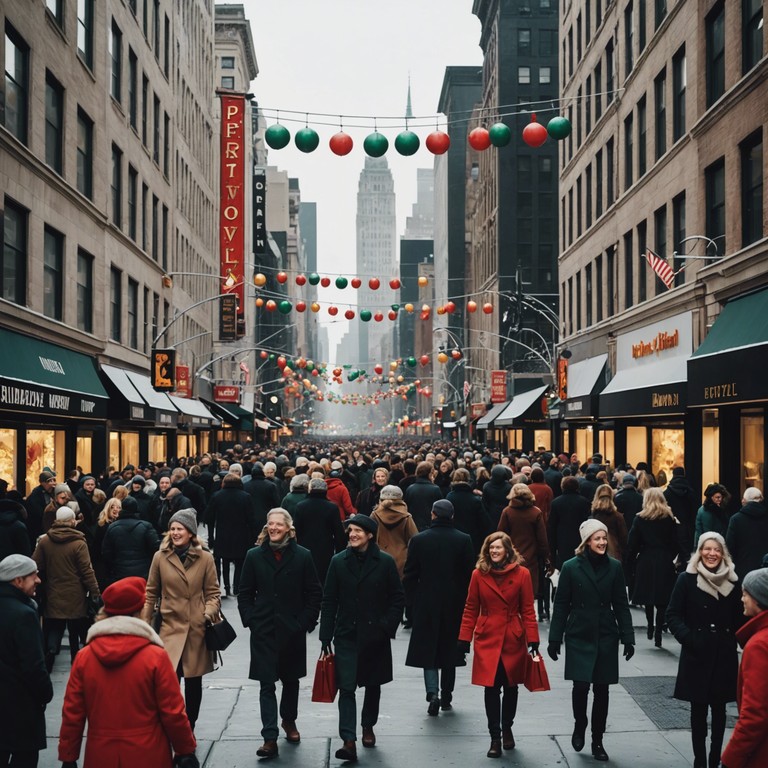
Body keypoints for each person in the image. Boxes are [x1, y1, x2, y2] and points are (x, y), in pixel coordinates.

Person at [58, 576, 199, 768]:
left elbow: (72, 713)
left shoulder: (85, 657)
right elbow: (173, 711)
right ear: (140, 611)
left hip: (101, 754)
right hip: (148, 754)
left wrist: (68, 756)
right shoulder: (155, 656)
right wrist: (185, 750)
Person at [237, 509, 322, 759]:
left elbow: (314, 593)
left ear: (288, 528)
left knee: (291, 680)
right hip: (263, 629)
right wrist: (251, 620)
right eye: (270, 524)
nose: (273, 528)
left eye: (278, 524)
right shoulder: (254, 555)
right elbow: (245, 592)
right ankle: (269, 736)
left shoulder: (303, 556)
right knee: (266, 683)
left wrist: (305, 622)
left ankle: (289, 720)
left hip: (292, 629)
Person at [548, 519, 635, 762]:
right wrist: (555, 638)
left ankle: (598, 739)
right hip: (579, 632)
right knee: (581, 686)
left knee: (602, 689)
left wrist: (628, 636)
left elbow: (621, 604)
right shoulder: (570, 567)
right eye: (597, 538)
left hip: (606, 632)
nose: (602, 542)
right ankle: (580, 724)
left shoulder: (615, 567)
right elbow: (561, 604)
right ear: (586, 541)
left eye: (604, 538)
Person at [319, 515, 405, 762]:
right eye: (350, 531)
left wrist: (386, 626)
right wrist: (326, 634)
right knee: (346, 687)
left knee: (372, 683)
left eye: (357, 530)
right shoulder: (338, 561)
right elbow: (329, 599)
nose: (352, 534)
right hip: (346, 633)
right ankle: (348, 739)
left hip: (375, 635)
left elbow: (397, 598)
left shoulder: (385, 562)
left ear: (369, 535)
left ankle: (368, 725)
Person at [457, 531, 538, 758]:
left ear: (507, 550)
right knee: (491, 687)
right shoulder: (478, 575)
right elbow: (471, 607)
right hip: (488, 636)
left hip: (512, 636)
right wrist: (464, 639)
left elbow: (528, 609)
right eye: (491, 547)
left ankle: (507, 727)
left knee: (511, 686)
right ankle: (495, 737)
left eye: (498, 548)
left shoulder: (522, 574)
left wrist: (533, 638)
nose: (494, 551)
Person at [666, 533, 742, 768]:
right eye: (707, 549)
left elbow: (741, 619)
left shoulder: (733, 581)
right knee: (698, 712)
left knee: (720, 712)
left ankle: (714, 759)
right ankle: (699, 760)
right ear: (699, 551)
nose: (712, 553)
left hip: (724, 655)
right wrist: (689, 638)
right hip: (696, 654)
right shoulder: (686, 579)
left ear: (723, 553)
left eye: (716, 549)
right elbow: (673, 615)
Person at [141, 509, 220, 732]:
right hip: (169, 627)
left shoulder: (205, 558)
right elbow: (151, 592)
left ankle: (189, 726)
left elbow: (213, 593)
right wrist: (145, 625)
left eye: (180, 529)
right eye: (173, 528)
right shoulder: (160, 556)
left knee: (194, 683)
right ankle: (173, 727)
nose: (175, 533)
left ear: (191, 533)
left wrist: (208, 613)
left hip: (196, 628)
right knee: (169, 684)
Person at [403, 499, 475, 715]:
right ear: (452, 516)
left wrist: (411, 602)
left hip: (426, 601)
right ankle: (447, 693)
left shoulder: (419, 540)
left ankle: (432, 692)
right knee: (450, 650)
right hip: (454, 603)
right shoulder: (463, 540)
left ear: (433, 514)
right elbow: (468, 575)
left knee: (428, 649)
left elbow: (410, 574)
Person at [0, 554, 53, 768]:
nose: (38, 581)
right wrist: (45, 693)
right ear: (18, 580)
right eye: (34, 576)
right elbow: (33, 665)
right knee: (25, 758)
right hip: (20, 704)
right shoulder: (24, 614)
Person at [32, 508, 100, 672]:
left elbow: (35, 565)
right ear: (72, 521)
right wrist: (95, 591)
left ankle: (52, 650)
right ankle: (77, 661)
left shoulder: (45, 541)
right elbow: (86, 571)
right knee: (76, 628)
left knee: (55, 625)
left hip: (53, 591)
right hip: (75, 593)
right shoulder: (79, 543)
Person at [626, 487, 688, 647]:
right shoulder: (669, 518)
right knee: (662, 598)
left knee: (648, 596)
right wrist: (676, 557)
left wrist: (631, 561)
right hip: (664, 559)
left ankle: (650, 626)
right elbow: (676, 541)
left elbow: (632, 543)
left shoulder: (639, 519)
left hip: (646, 558)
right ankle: (659, 631)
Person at [721, 568, 768, 768]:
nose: (742, 599)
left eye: (745, 594)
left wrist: (730, 760)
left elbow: (755, 714)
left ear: (758, 599)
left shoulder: (759, 645)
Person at [205, 472, 259, 597]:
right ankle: (236, 587)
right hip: (240, 533)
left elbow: (209, 518)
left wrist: (210, 537)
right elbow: (251, 518)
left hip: (222, 533)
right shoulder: (245, 496)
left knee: (224, 561)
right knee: (240, 562)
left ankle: (226, 586)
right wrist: (253, 535)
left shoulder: (217, 496)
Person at [497, 483, 550, 606]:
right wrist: (545, 555)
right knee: (528, 592)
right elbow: (542, 539)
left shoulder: (507, 512)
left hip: (511, 556)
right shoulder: (536, 512)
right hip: (531, 557)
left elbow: (500, 534)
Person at [293, 478, 346, 585]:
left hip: (305, 546)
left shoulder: (301, 506)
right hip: (325, 547)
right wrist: (341, 551)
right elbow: (338, 532)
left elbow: (296, 529)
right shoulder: (332, 507)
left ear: (310, 489)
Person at [101, 495, 161, 584]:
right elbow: (156, 547)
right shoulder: (146, 526)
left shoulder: (112, 527)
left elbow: (106, 552)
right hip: (143, 572)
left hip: (120, 572)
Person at [369, 485, 418, 580]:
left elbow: (369, 537)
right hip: (401, 560)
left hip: (379, 556)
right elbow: (414, 540)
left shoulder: (374, 515)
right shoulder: (406, 517)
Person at [445, 468, 492, 554]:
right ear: (468, 479)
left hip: (454, 537)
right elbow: (484, 522)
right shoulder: (475, 499)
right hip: (472, 538)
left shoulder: (449, 497)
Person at [726, 487, 768, 581]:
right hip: (765, 567)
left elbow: (729, 546)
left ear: (744, 501)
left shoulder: (736, 519)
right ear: (761, 499)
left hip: (743, 568)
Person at [590, 484, 628, 563]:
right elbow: (624, 539)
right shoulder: (618, 516)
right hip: (614, 555)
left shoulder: (592, 517)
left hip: (595, 554)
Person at [404, 461, 444, 531]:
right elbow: (440, 509)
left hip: (413, 526)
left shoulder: (410, 488)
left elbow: (406, 508)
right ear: (430, 473)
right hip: (430, 526)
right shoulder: (435, 489)